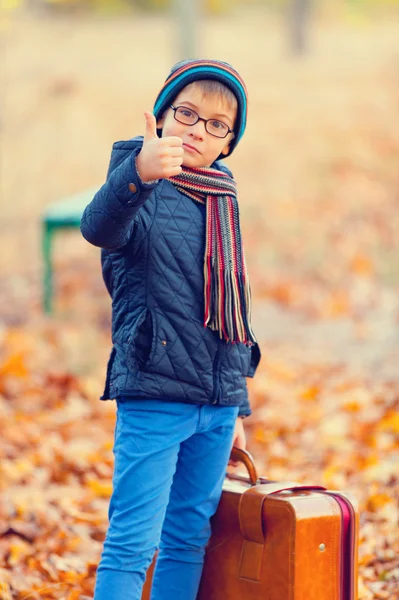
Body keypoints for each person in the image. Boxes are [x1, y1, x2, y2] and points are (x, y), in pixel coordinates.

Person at [80, 58, 261, 600]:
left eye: (216, 124)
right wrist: (137, 173)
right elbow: (98, 228)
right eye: (186, 113)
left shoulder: (221, 196)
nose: (197, 130)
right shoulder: (136, 182)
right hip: (156, 390)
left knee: (188, 537)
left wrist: (236, 405)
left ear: (228, 143)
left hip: (215, 401)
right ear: (160, 117)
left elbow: (231, 311)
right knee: (133, 543)